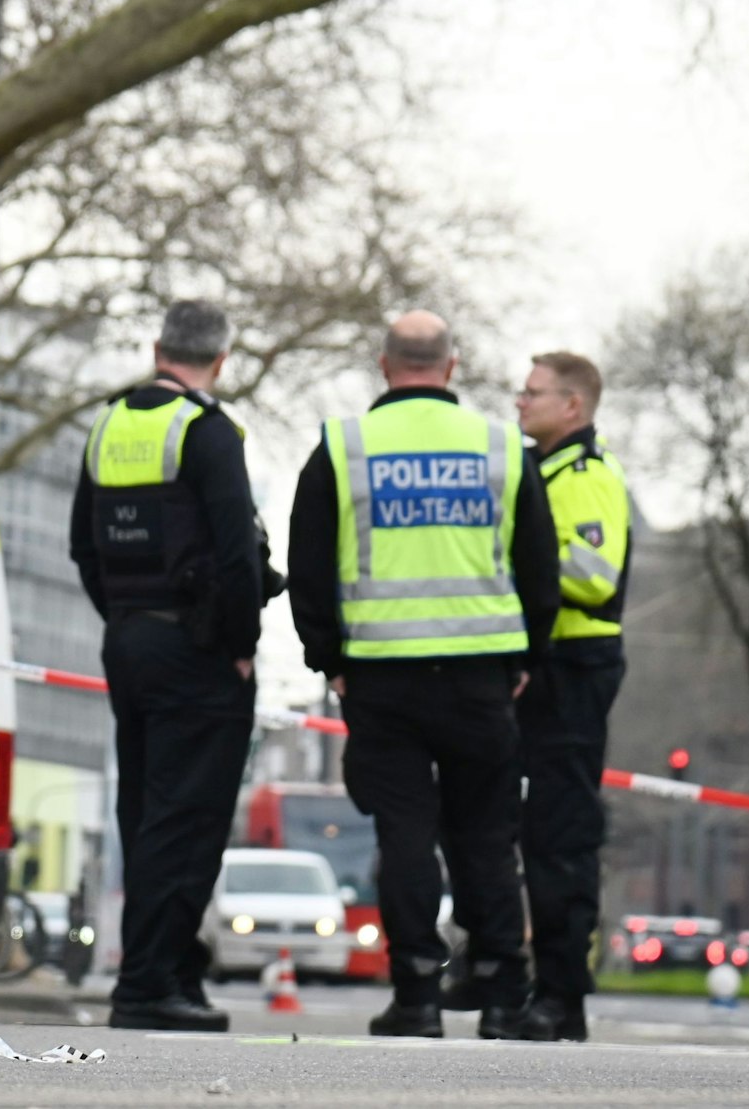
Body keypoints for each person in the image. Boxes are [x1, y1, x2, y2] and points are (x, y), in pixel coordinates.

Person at [288, 310, 560, 1039]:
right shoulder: (502, 448)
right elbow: (541, 566)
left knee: (405, 836)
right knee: (485, 837)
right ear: (452, 365)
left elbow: (308, 564)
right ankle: (504, 995)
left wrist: (330, 661)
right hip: (481, 678)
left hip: (382, 679)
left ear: (385, 366)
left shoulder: (344, 447)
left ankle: (415, 995)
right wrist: (524, 660)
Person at [69, 299, 274, 1033]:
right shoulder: (208, 431)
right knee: (189, 819)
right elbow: (235, 555)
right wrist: (242, 645)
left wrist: (124, 617)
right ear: (220, 361)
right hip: (199, 652)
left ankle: (163, 972)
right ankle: (152, 984)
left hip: (128, 641)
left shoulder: (109, 423)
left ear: (159, 348)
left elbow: (83, 548)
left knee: (147, 812)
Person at [498, 350, 633, 1042]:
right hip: (547, 663)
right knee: (526, 827)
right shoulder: (544, 470)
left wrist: (514, 558)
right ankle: (526, 981)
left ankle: (560, 996)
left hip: (574, 664)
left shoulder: (584, 476)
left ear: (572, 406)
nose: (520, 403)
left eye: (533, 393)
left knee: (560, 833)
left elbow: (594, 573)